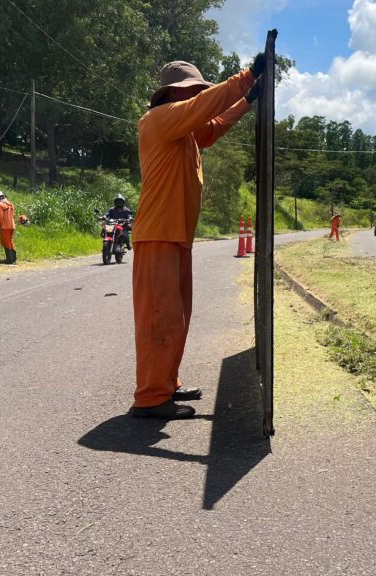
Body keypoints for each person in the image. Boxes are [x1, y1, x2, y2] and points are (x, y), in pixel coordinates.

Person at [129, 56, 264, 419]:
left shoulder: (185, 130)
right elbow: (206, 106)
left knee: (176, 317)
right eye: (192, 91)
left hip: (175, 238)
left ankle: (166, 384)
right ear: (172, 93)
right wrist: (247, 77)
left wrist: (247, 101)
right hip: (157, 235)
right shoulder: (159, 119)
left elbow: (214, 125)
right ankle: (150, 397)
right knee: (160, 318)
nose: (197, 97)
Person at [0, 191, 17, 264]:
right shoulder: (10, 204)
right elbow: (10, 215)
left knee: (5, 242)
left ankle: (9, 260)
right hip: (12, 226)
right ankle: (13, 259)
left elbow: (0, 218)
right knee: (10, 241)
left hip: (5, 226)